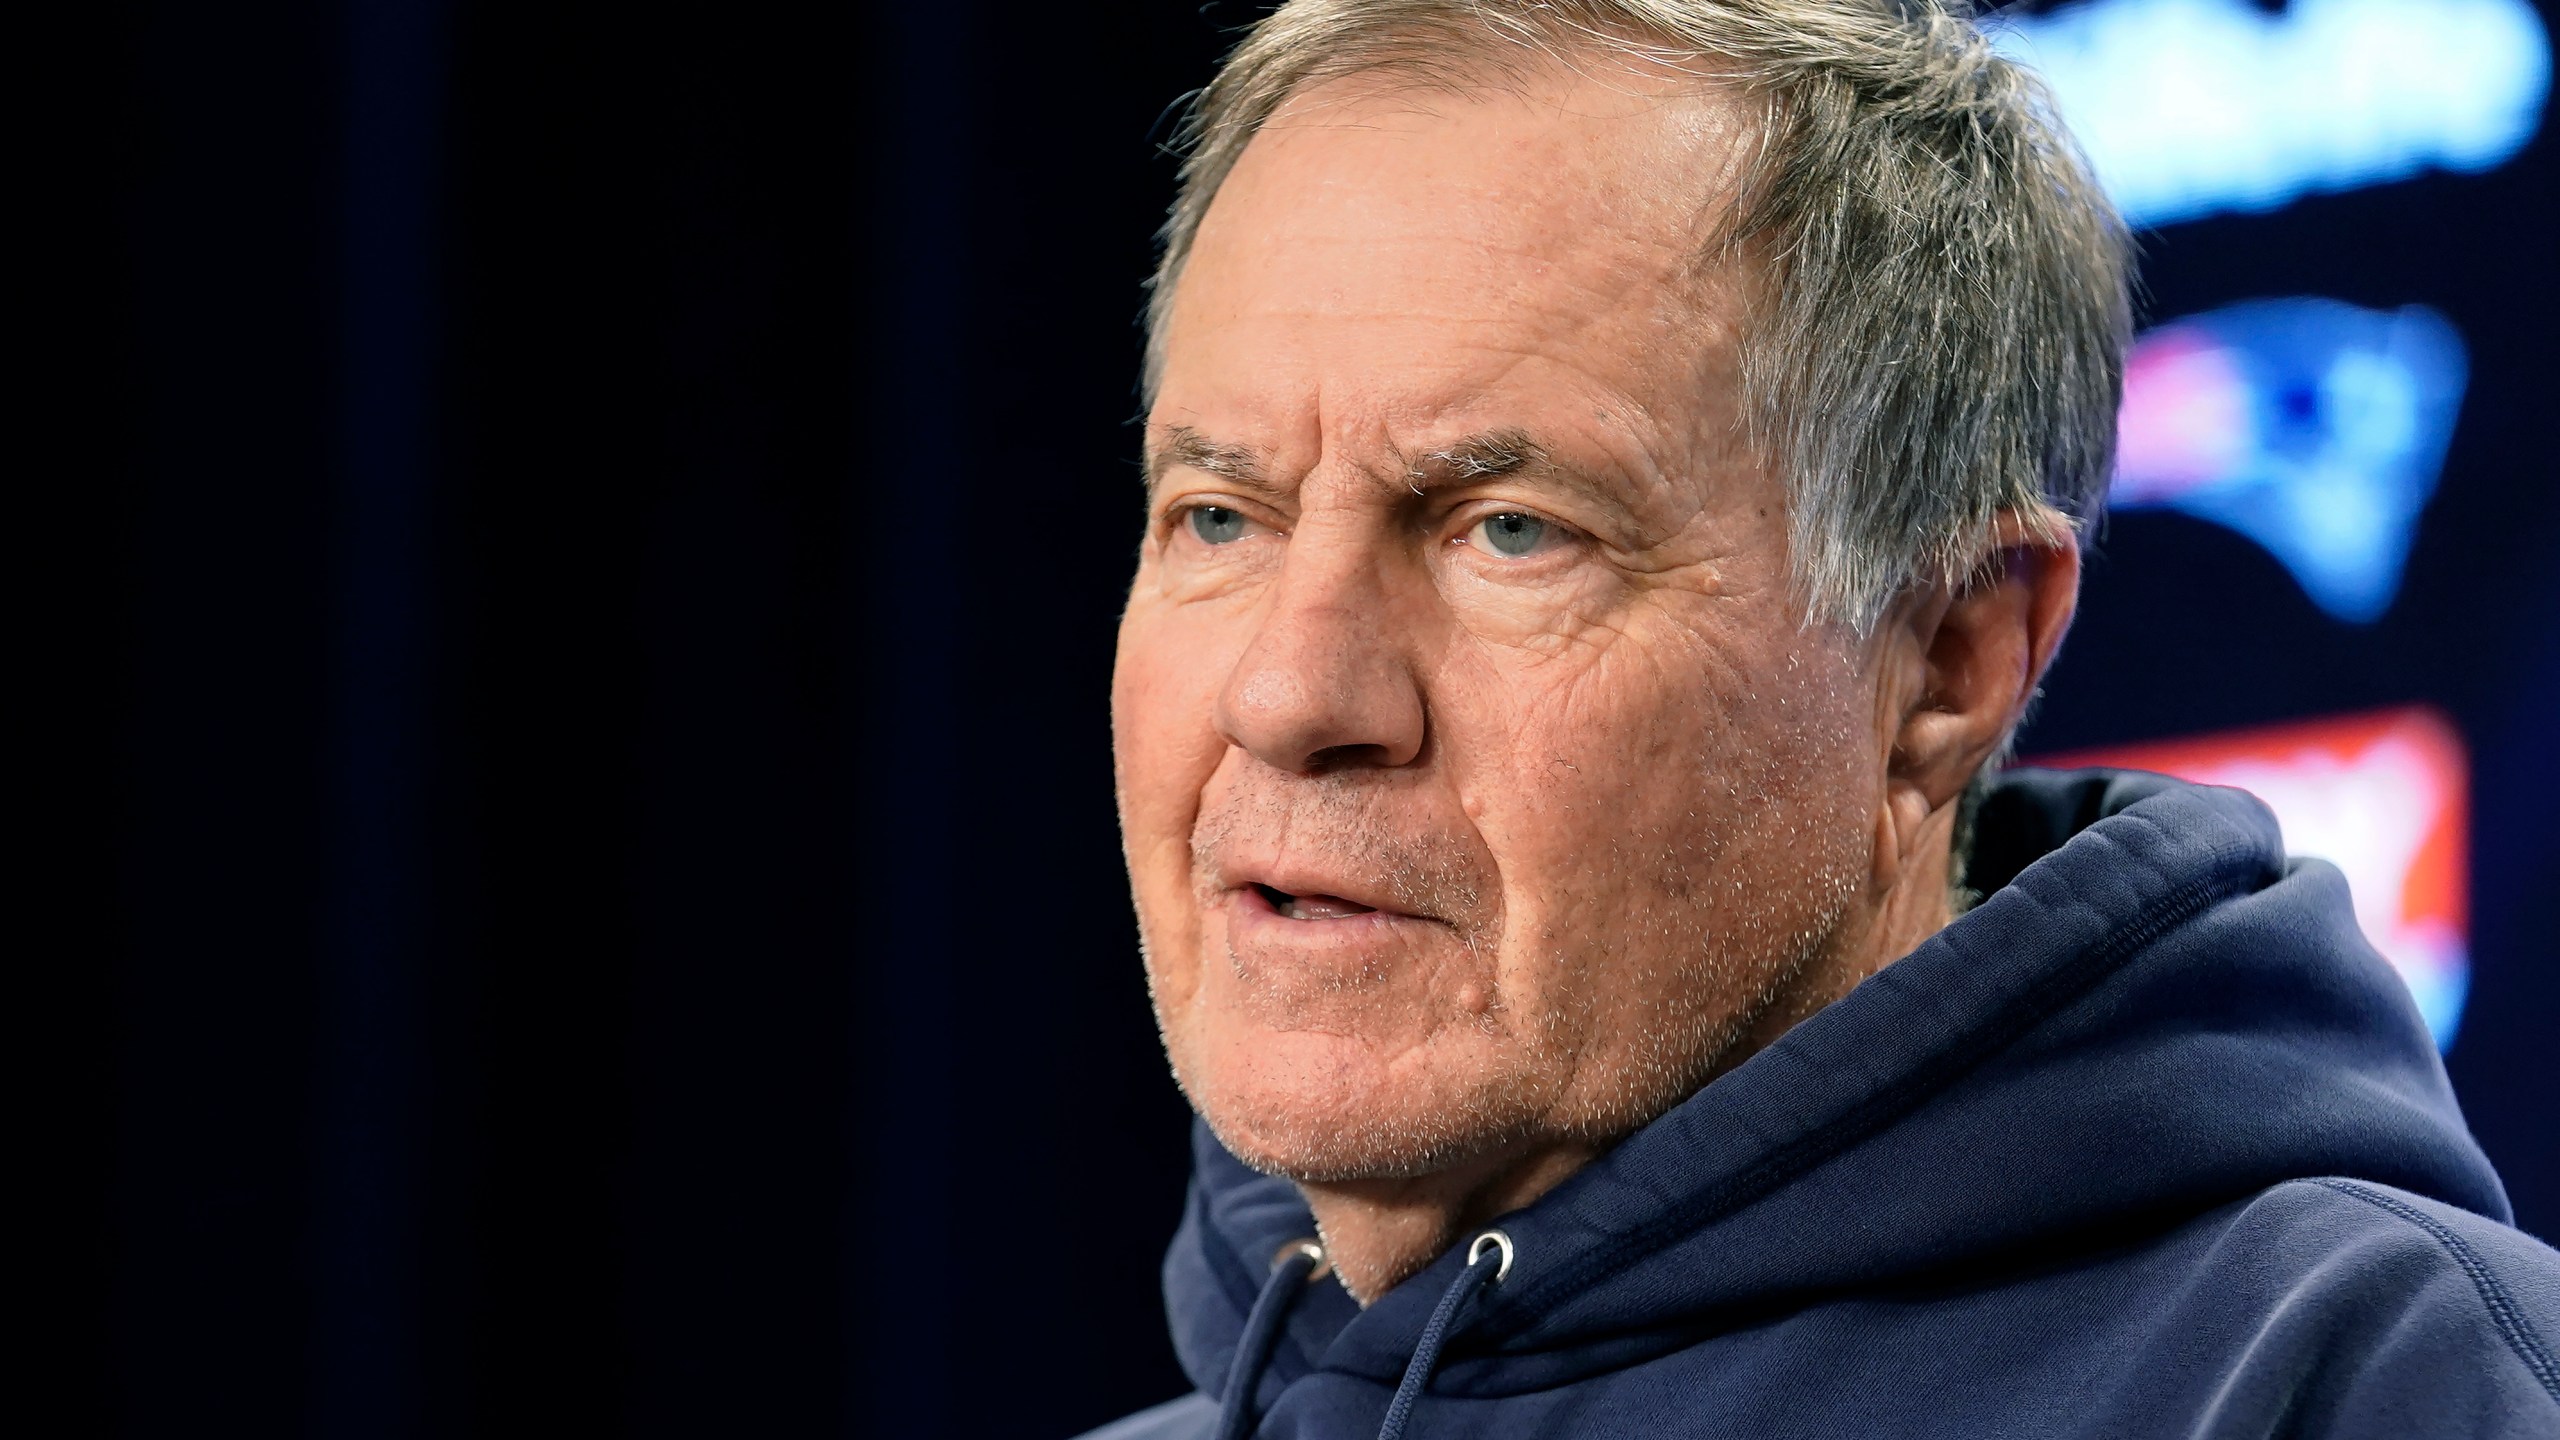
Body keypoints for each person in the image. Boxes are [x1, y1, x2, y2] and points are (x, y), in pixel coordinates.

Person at [1088, 2, 2560, 1436]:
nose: (1287, 695)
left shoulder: (2377, 1388)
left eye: (1513, 532)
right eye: (1219, 518)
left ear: (1944, 662)